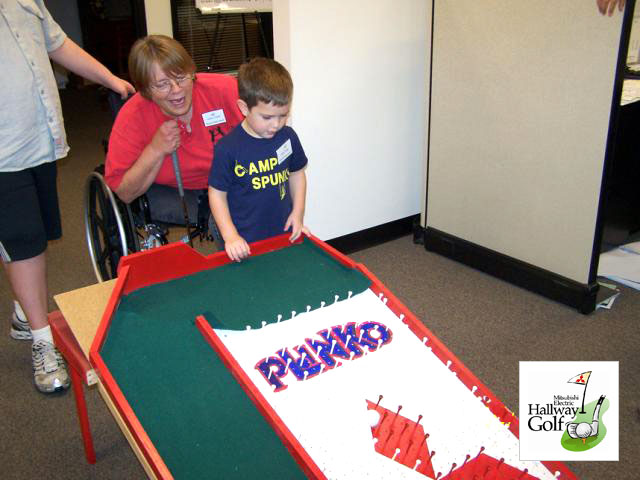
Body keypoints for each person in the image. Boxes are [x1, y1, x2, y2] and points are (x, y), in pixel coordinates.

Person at [0, 0, 134, 393]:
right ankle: (42, 341)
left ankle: (26, 313)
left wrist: (110, 78)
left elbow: (56, 44)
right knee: (23, 242)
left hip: (38, 139)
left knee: (36, 236)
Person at [105, 35, 243, 228]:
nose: (177, 90)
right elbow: (125, 192)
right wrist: (155, 150)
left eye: (181, 78)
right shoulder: (132, 116)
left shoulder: (224, 90)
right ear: (145, 89)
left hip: (229, 181)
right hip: (173, 191)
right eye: (162, 84)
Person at [208, 57, 309, 262]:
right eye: (267, 117)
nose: (276, 125)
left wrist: (297, 214)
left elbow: (297, 174)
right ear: (244, 108)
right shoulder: (228, 148)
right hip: (244, 240)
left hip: (282, 231)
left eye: (283, 115)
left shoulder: (288, 137)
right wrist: (231, 236)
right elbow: (217, 195)